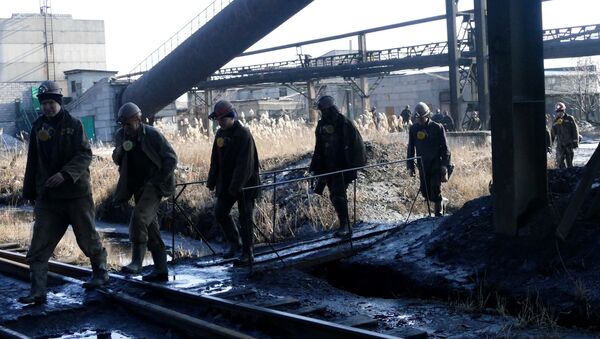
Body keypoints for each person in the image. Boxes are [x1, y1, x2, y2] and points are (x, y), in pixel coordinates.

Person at [20, 80, 109, 304]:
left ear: (59, 102)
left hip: (76, 195)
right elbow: (33, 161)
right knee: (39, 246)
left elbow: (84, 154)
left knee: (87, 239)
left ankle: (100, 273)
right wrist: (30, 192)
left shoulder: (74, 124)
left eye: (51, 102)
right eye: (44, 103)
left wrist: (65, 174)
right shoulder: (38, 127)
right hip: (48, 198)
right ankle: (38, 291)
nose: (47, 106)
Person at [112, 102, 177, 282]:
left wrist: (158, 180)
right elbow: (117, 159)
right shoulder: (121, 135)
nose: (126, 128)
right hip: (136, 186)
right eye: (123, 124)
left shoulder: (152, 134)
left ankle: (136, 262)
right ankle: (161, 269)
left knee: (139, 217)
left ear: (138, 120)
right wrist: (119, 151)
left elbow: (171, 158)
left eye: (129, 124)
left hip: (154, 185)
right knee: (150, 227)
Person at [207, 100, 260, 265]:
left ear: (232, 117)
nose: (220, 123)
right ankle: (234, 243)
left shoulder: (243, 135)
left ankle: (247, 252)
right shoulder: (220, 134)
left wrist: (235, 187)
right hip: (227, 183)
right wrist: (212, 180)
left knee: (245, 218)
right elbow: (215, 159)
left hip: (246, 184)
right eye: (218, 120)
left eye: (222, 120)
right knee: (220, 213)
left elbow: (244, 165)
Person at [309, 96, 367, 237]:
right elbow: (319, 147)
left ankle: (346, 226)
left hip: (341, 167)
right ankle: (344, 224)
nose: (321, 112)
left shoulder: (343, 122)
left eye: (323, 109)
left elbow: (356, 144)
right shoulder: (322, 125)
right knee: (334, 196)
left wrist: (353, 166)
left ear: (328, 108)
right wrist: (314, 167)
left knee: (338, 196)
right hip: (328, 167)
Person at [407, 102, 451, 217]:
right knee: (425, 192)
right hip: (422, 165)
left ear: (427, 115)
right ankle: (443, 201)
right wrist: (410, 166)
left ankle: (438, 213)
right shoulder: (414, 129)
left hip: (436, 164)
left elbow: (446, 148)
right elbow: (411, 148)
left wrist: (444, 165)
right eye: (417, 118)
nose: (419, 121)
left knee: (435, 189)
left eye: (421, 118)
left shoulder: (437, 128)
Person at [551, 102, 579, 168]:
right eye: (558, 111)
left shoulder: (570, 119)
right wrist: (555, 125)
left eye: (561, 111)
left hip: (569, 144)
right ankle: (562, 176)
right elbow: (553, 133)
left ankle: (570, 174)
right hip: (560, 145)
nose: (559, 113)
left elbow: (575, 130)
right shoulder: (555, 121)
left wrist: (575, 142)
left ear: (564, 111)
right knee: (559, 162)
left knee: (569, 163)